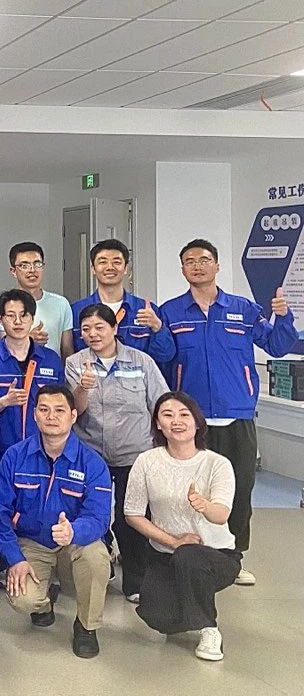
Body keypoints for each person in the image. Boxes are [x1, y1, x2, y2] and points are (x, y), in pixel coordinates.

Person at [157, 238, 296, 586]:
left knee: (239, 489)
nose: (197, 266)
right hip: (190, 422)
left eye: (204, 259)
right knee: (189, 491)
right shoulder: (170, 312)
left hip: (237, 416)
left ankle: (233, 558)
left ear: (217, 266)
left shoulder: (243, 309)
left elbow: (277, 346)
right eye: (190, 261)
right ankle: (191, 556)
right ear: (183, 269)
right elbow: (163, 356)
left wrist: (283, 317)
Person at [0, 385, 112, 659]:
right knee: (23, 599)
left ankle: (86, 626)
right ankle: (44, 601)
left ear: (73, 415)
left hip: (75, 545)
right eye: (44, 409)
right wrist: (14, 558)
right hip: (32, 543)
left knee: (96, 558)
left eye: (59, 410)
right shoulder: (15, 456)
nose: (51, 416)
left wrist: (74, 531)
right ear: (34, 414)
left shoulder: (92, 463)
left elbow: (99, 518)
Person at [126, 392, 241, 662]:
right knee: (157, 616)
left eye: (184, 414)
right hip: (166, 554)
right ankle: (188, 602)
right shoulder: (147, 461)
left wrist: (204, 505)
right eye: (167, 415)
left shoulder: (217, 463)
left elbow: (221, 515)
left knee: (189, 556)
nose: (176, 421)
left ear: (197, 422)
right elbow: (132, 514)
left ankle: (209, 628)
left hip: (216, 555)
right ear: (158, 424)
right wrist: (173, 542)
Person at [67, 303, 168, 602]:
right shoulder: (75, 363)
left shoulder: (141, 361)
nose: (93, 334)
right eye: (86, 329)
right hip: (91, 455)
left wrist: (166, 448)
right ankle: (102, 564)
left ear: (114, 328)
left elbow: (161, 403)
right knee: (92, 513)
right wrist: (82, 388)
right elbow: (74, 411)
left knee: (131, 518)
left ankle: (136, 580)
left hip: (134, 454)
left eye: (99, 327)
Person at [0, 289, 63, 473]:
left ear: (32, 318)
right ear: (0, 319)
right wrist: (3, 402)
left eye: (24, 315)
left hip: (42, 451)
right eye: (11, 316)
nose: (18, 322)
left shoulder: (51, 360)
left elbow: (62, 406)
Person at [70, 239, 175, 363]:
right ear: (93, 268)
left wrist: (157, 327)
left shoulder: (145, 310)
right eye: (103, 262)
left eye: (116, 262)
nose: (110, 267)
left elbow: (165, 356)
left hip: (136, 375)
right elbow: (70, 356)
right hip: (91, 375)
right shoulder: (76, 311)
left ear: (125, 268)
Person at [0, 242, 74, 358]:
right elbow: (0, 346)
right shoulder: (1, 304)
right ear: (13, 271)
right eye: (24, 265)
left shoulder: (61, 303)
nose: (32, 270)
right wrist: (28, 340)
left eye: (37, 264)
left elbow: (67, 351)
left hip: (50, 367)